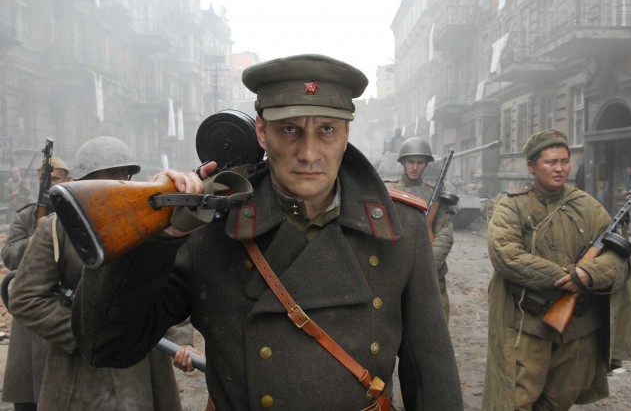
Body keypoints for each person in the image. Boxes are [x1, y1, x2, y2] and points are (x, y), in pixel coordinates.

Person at [70, 54, 463, 410]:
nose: (309, 153)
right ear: (261, 132)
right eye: (289, 129)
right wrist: (156, 235)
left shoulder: (400, 228)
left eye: (326, 129)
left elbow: (431, 377)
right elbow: (106, 345)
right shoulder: (209, 225)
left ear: (346, 133)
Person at [9, 136, 194, 410]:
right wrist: (89, 333)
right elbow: (25, 297)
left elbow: (165, 288)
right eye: (110, 174)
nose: (121, 181)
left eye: (124, 173)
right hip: (78, 374)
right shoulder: (54, 229)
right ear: (87, 180)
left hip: (141, 366)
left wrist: (182, 342)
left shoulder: (149, 223)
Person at [482, 128, 631, 410]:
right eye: (550, 162)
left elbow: (617, 259)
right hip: (528, 325)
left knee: (559, 401)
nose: (559, 168)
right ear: (531, 166)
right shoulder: (512, 206)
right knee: (517, 400)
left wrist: (588, 275)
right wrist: (566, 278)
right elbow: (506, 254)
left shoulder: (587, 206)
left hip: (579, 328)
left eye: (564, 161)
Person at [1, 156, 72, 411]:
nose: (49, 184)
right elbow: (9, 257)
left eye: (55, 179)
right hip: (32, 317)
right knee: (28, 394)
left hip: (63, 310)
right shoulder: (26, 216)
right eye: (45, 179)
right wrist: (35, 239)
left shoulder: (75, 212)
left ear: (68, 180)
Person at [386, 137, 456, 322]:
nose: (415, 167)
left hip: (431, 278)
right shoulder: (387, 192)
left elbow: (445, 235)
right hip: (396, 277)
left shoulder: (434, 193)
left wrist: (426, 268)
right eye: (410, 162)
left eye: (420, 162)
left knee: (434, 330)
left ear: (426, 165)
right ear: (402, 162)